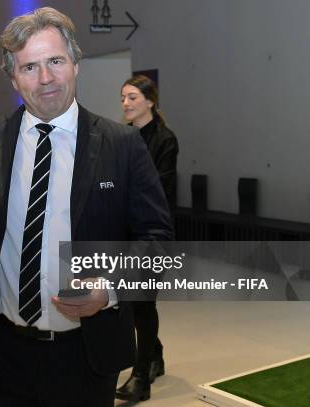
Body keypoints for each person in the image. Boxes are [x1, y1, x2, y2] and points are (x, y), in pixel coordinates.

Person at [0, 7, 172, 407]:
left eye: (55, 61)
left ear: (75, 64)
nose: (45, 79)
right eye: (29, 67)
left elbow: (158, 242)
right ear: (13, 77)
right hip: (2, 351)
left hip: (87, 353)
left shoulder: (121, 145)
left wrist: (109, 289)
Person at [116, 74, 179, 402]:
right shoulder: (122, 137)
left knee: (142, 302)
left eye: (132, 98)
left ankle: (141, 377)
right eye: (123, 97)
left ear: (150, 101)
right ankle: (155, 355)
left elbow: (160, 191)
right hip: (124, 235)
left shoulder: (165, 140)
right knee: (131, 304)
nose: (125, 103)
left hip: (152, 235)